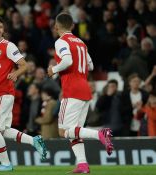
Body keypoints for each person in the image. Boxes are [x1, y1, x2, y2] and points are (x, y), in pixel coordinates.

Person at [0, 16, 47, 172]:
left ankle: (5, 164)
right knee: (3, 130)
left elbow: (24, 65)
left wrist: (16, 73)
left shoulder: (8, 46)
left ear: (3, 30)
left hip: (2, 93)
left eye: (0, 27)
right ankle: (34, 141)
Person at [47, 13, 113, 174]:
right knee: (75, 132)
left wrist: (53, 69)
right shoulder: (81, 43)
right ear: (73, 26)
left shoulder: (61, 41)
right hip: (85, 89)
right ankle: (83, 165)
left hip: (72, 90)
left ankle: (100, 134)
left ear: (56, 27)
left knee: (64, 131)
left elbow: (68, 61)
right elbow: (90, 65)